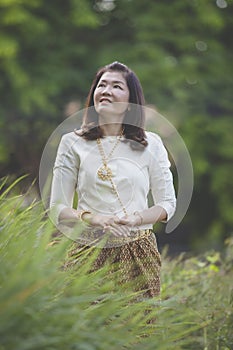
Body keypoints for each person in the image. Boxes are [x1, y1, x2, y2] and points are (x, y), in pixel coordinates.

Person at [50, 61, 176, 297]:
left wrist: (135, 219)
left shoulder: (151, 144)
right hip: (86, 251)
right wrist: (97, 219)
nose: (106, 91)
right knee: (87, 328)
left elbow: (167, 204)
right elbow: (57, 208)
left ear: (130, 103)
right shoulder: (72, 142)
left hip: (139, 252)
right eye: (102, 85)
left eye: (117, 86)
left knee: (138, 330)